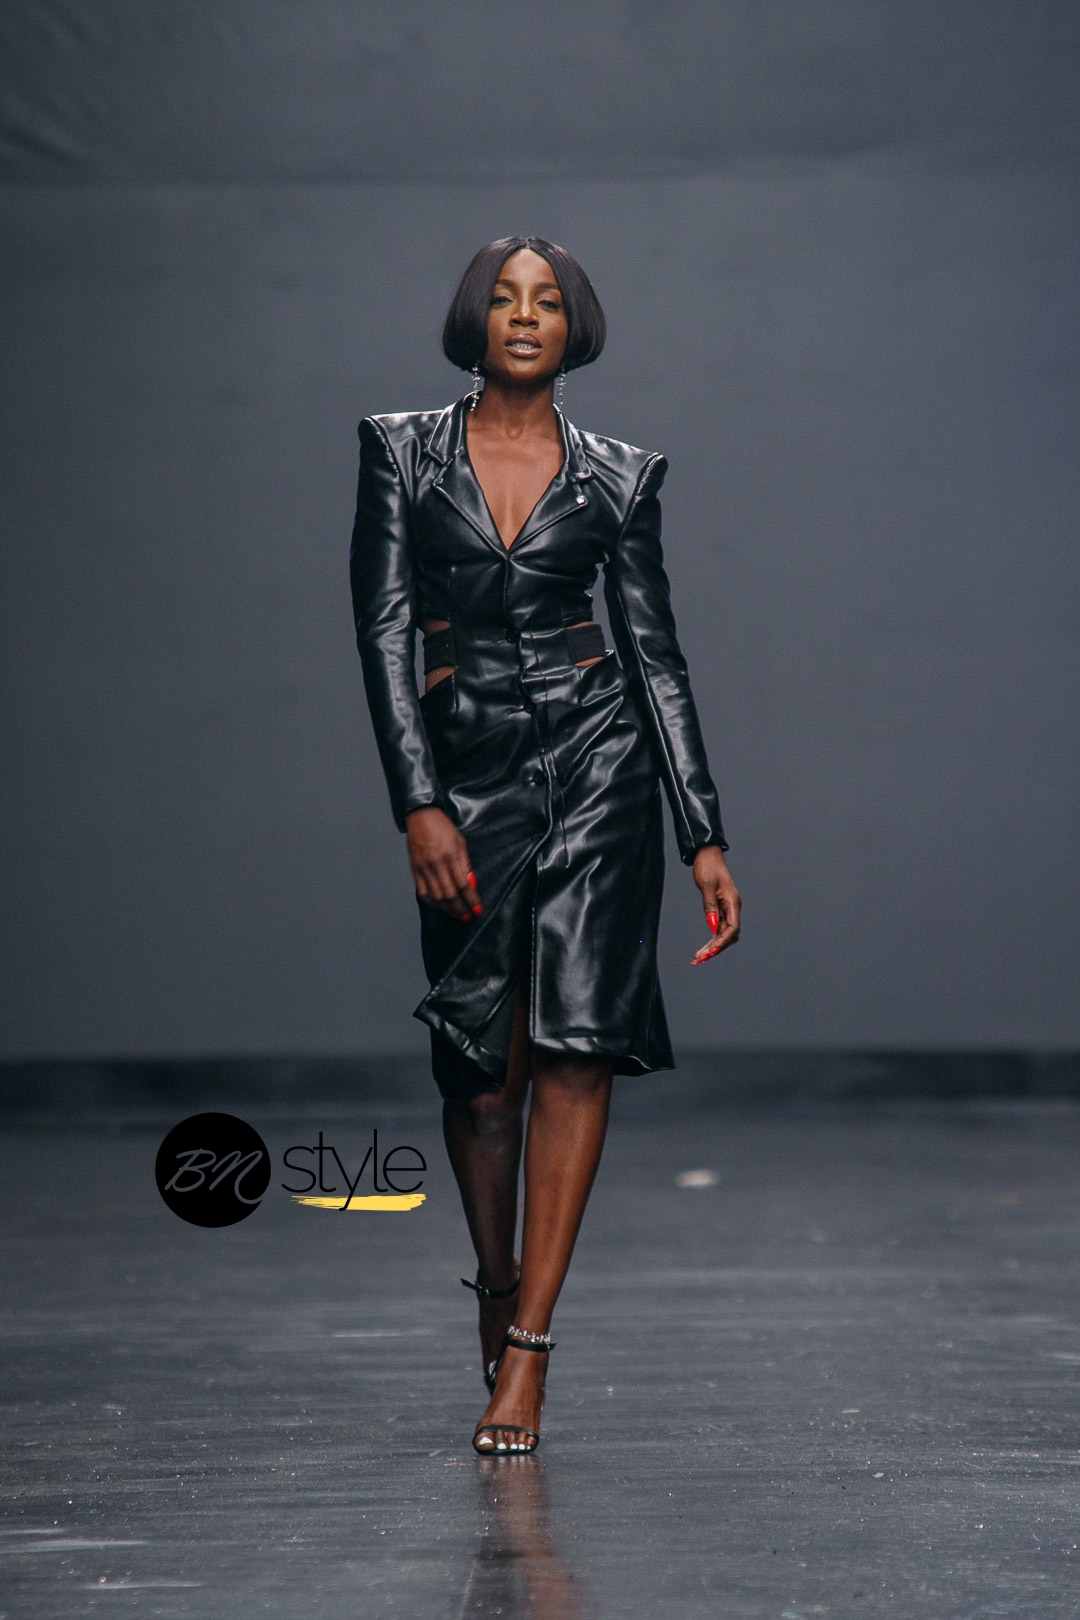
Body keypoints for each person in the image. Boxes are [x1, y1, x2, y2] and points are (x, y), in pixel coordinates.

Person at [349, 236, 740, 1454]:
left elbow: (655, 657)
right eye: (508, 299)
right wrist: (417, 804)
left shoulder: (621, 475)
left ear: (576, 328)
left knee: (576, 1051)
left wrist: (703, 832)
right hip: (467, 781)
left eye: (550, 301)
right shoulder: (401, 450)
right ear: (477, 318)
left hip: (602, 769)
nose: (526, 316)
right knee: (481, 1077)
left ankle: (529, 1351)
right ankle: (496, 1280)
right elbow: (383, 630)